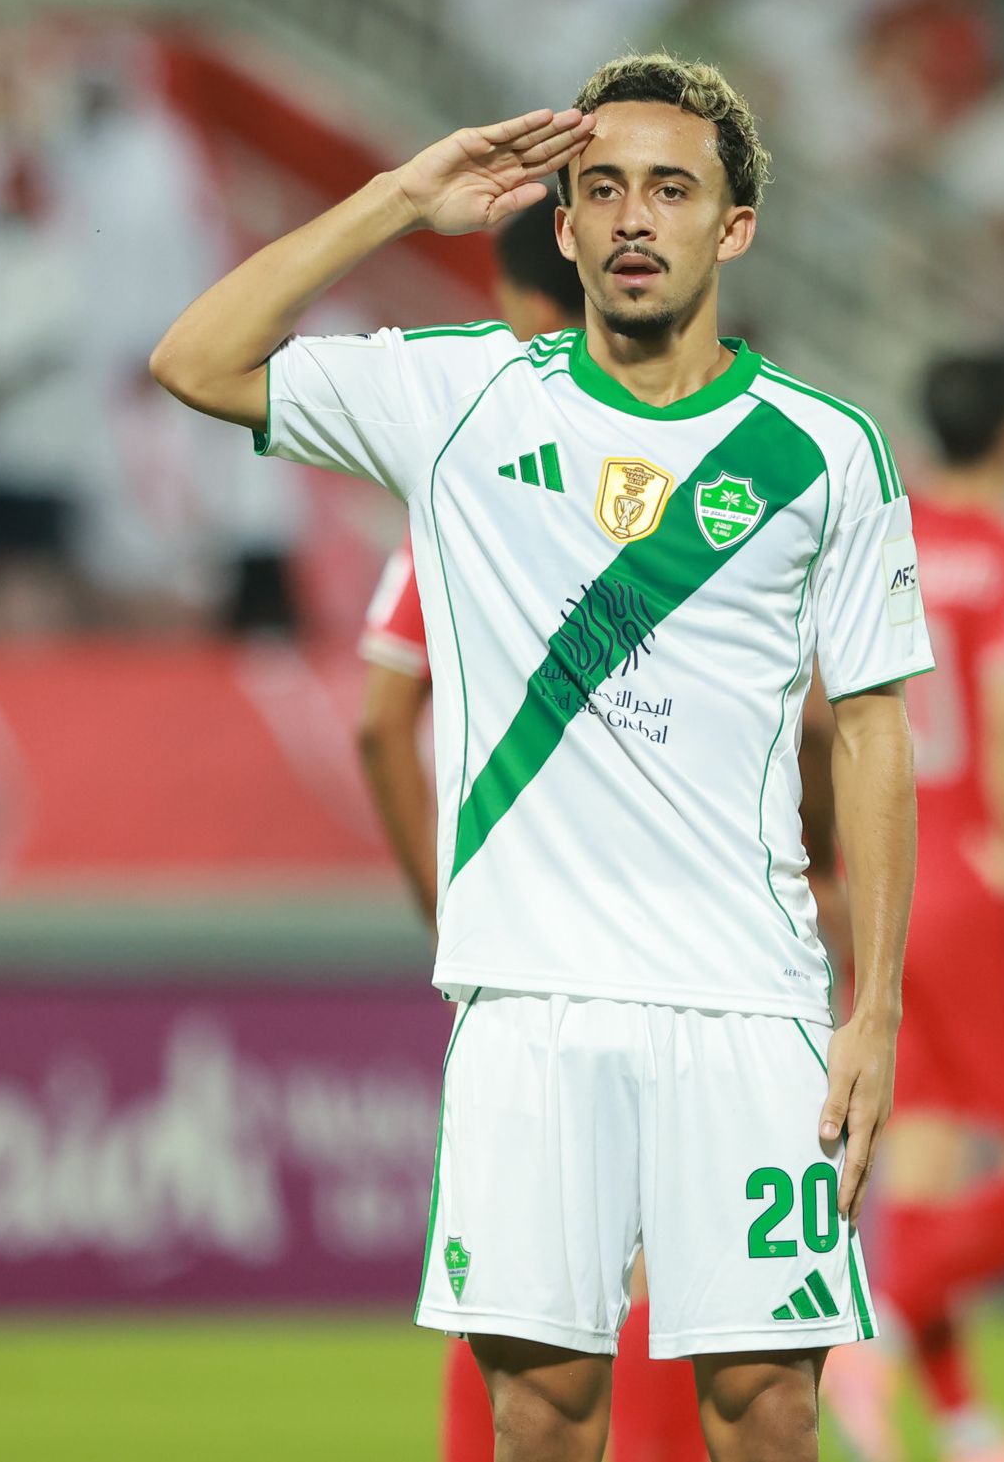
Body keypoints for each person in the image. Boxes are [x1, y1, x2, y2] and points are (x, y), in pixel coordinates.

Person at [152, 54, 929, 1462]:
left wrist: (871, 1006)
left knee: (768, 1410)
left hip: (749, 1009)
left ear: (733, 227)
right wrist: (400, 197)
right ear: (560, 225)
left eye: (673, 188)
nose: (636, 217)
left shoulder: (826, 453)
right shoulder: (458, 402)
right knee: (543, 1414)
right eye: (603, 188)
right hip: (529, 1005)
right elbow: (195, 360)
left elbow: (875, 728)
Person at [352, 193, 704, 1462]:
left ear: (511, 300)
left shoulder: (483, 463)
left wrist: (447, 910)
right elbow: (822, 718)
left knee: (521, 1281)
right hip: (676, 929)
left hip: (539, 937)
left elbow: (378, 712)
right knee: (677, 1269)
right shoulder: (703, 463)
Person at [824, 351, 1004, 1462]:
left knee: (925, 1154)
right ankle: (866, 1331)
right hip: (980, 880)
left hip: (889, 876)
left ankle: (960, 1423)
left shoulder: (883, 541)